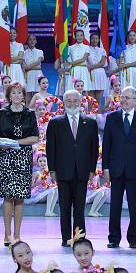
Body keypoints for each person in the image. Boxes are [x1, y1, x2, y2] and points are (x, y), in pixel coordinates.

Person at [46, 90, 99, 247]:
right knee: (64, 208)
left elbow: (94, 148)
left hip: (82, 172)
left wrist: (92, 169)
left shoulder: (90, 122)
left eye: (75, 100)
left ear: (80, 102)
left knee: (79, 208)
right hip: (63, 172)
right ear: (64, 103)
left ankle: (80, 238)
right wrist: (52, 170)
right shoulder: (55, 122)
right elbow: (51, 148)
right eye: (69, 101)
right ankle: (65, 239)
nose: (72, 103)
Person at [102, 86, 136, 249]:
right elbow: (107, 145)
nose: (123, 100)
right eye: (122, 97)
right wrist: (106, 168)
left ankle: (133, 239)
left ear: (135, 101)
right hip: (115, 169)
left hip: (135, 169)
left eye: (127, 98)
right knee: (115, 206)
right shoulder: (112, 118)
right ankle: (114, 238)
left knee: (134, 206)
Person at [0, 82, 39, 245]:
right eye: (14, 93)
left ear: (23, 95)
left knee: (19, 198)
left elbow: (35, 138)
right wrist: (3, 143)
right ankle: (7, 234)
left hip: (23, 158)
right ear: (9, 96)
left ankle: (17, 235)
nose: (17, 95)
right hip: (6, 157)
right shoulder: (2, 114)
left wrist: (15, 142)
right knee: (7, 196)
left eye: (20, 93)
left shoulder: (29, 114)